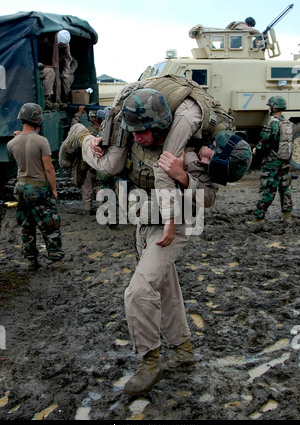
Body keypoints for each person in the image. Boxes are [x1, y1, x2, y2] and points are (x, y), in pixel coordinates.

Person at [59, 86, 251, 396]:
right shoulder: (139, 135)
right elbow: (118, 160)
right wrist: (94, 141)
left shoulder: (191, 154)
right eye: (133, 131)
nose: (137, 137)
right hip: (142, 221)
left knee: (138, 290)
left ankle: (149, 359)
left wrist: (184, 180)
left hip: (170, 229)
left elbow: (209, 198)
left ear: (160, 126)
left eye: (143, 132)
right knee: (164, 287)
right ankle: (183, 349)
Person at [7, 103, 66, 271]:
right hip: (39, 188)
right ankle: (57, 261)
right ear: (38, 119)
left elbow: (18, 150)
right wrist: (53, 189)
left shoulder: (12, 143)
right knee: (50, 225)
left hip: (20, 188)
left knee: (26, 226)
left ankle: (30, 261)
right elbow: (49, 168)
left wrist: (18, 137)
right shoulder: (42, 141)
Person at [249, 96, 294, 224]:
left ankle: (259, 217)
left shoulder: (272, 124)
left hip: (272, 163)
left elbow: (264, 142)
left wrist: (256, 150)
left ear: (273, 107)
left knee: (268, 189)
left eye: (269, 106)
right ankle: (287, 216)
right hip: (284, 161)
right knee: (285, 188)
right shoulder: (288, 124)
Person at [69, 106, 113, 214]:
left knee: (87, 187)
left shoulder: (88, 132)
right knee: (100, 186)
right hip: (101, 164)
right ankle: (101, 209)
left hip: (88, 163)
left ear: (94, 119)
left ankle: (87, 209)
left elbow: (74, 127)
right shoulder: (106, 134)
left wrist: (78, 113)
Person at [38, 30, 74, 110]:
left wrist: (65, 73)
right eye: (60, 44)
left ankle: (58, 100)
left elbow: (68, 58)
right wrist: (42, 66)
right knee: (51, 73)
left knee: (59, 80)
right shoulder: (44, 41)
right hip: (40, 64)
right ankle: (45, 100)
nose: (62, 46)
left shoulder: (65, 46)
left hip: (54, 64)